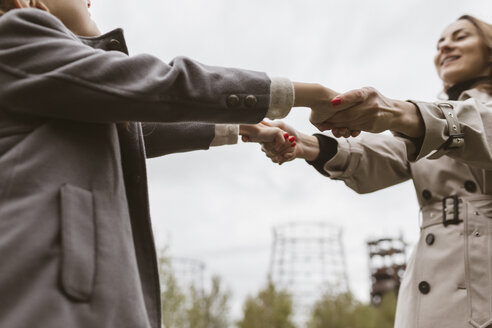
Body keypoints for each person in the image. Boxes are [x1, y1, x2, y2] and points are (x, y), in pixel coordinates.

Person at [0, 1, 338, 327]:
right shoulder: (14, 35)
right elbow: (162, 86)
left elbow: (138, 127)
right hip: (44, 306)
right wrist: (307, 95)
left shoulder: (58, 84)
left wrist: (246, 127)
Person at [261, 15, 492, 328]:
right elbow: (386, 155)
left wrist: (396, 113)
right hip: (432, 286)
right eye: (439, 44)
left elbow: (481, 128)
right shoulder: (431, 124)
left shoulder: (455, 116)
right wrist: (301, 142)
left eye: (460, 37)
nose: (445, 46)